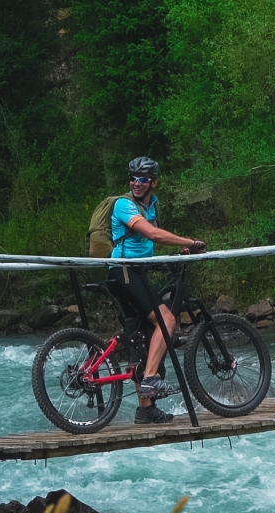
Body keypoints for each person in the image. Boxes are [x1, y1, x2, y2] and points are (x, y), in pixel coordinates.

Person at [107, 156, 206, 424]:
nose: (136, 183)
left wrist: (179, 250)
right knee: (167, 320)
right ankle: (151, 380)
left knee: (147, 337)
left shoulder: (153, 204)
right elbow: (152, 234)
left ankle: (145, 408)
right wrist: (193, 242)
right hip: (124, 272)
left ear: (154, 182)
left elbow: (155, 237)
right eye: (133, 178)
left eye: (142, 179)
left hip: (138, 272)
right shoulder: (124, 204)